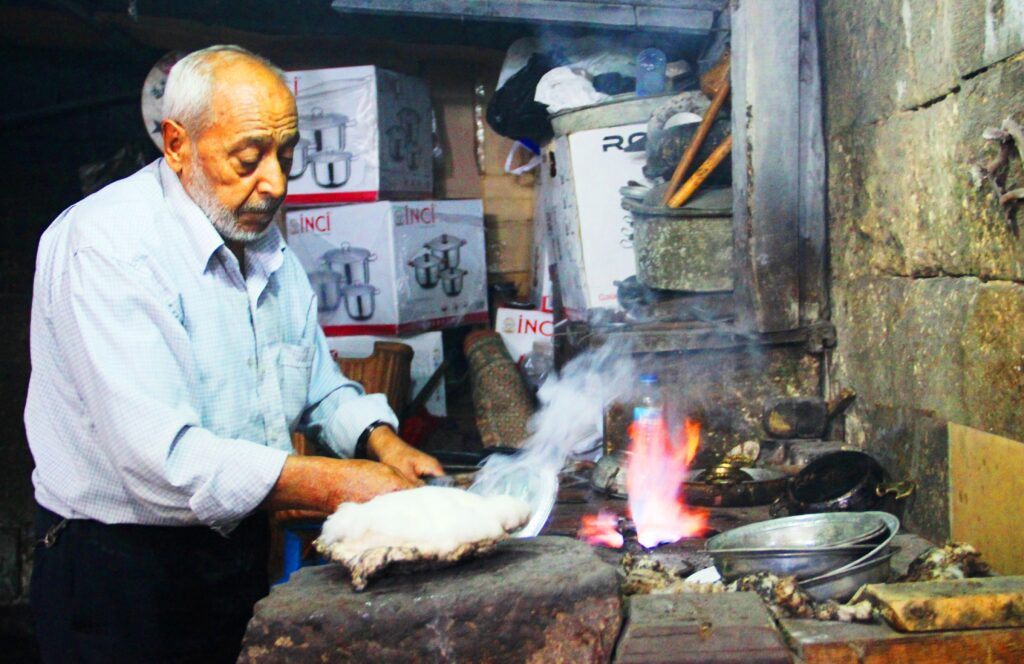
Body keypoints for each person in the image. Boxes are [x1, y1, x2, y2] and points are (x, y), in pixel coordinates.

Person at [24, 45, 443, 663]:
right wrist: (336, 483)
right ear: (176, 144)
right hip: (120, 572)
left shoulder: (263, 244)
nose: (274, 182)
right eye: (248, 159)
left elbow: (318, 385)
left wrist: (383, 443)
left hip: (231, 550)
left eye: (287, 155)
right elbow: (163, 461)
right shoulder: (109, 248)